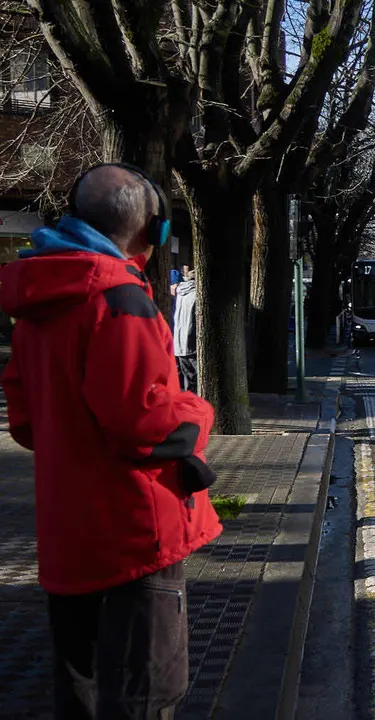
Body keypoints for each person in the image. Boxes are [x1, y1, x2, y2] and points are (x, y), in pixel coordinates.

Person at [0, 163, 220, 718]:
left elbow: (25, 424)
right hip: (132, 533)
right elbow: (144, 424)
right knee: (146, 694)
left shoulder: (36, 303)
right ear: (155, 231)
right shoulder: (120, 298)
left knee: (80, 691)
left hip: (67, 534)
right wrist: (197, 409)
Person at [174, 268, 197, 391]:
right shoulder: (196, 294)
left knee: (189, 379)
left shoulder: (180, 293)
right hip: (192, 343)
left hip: (179, 345)